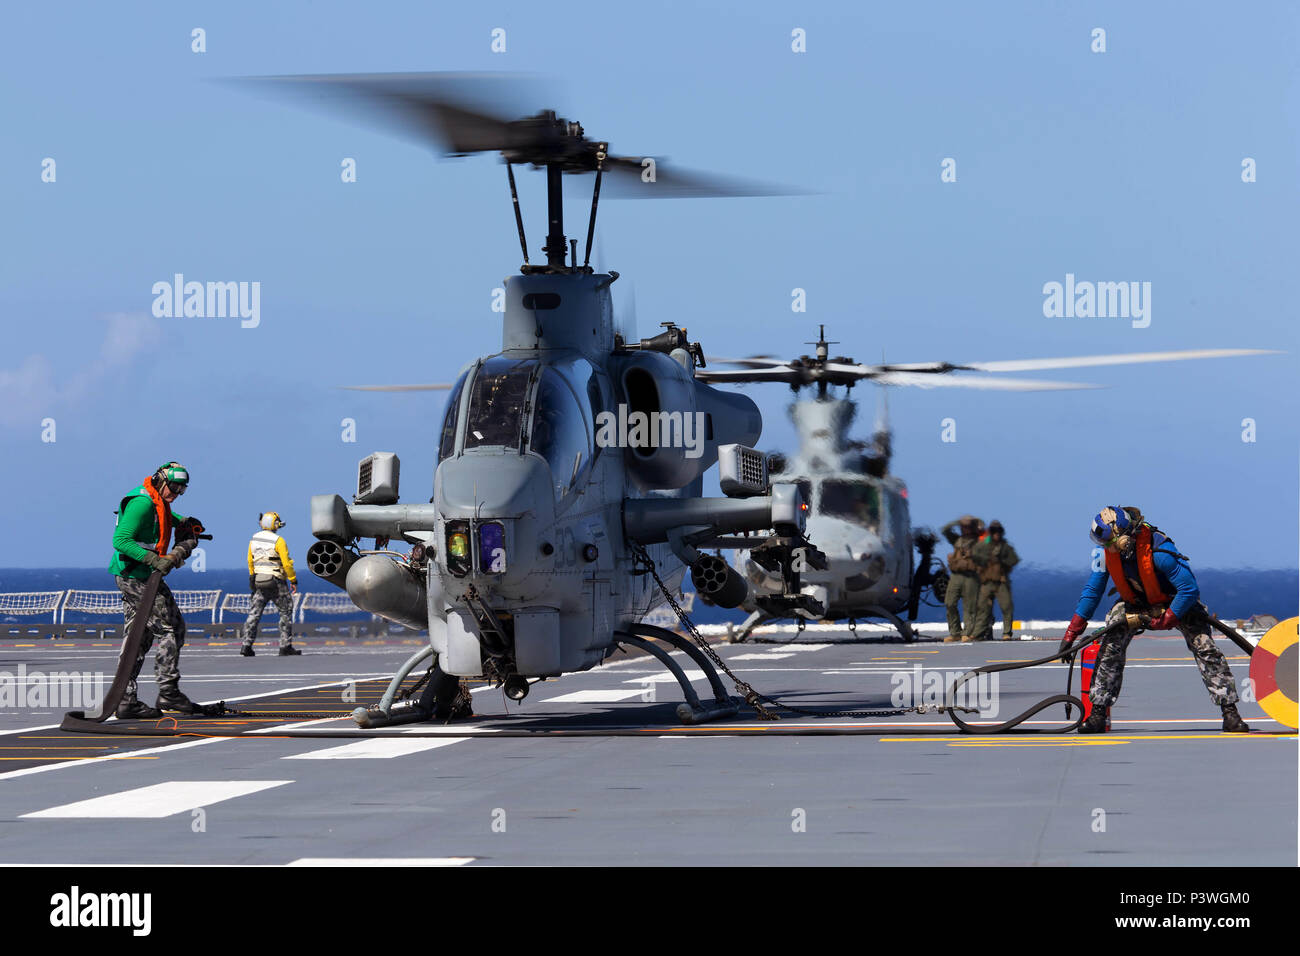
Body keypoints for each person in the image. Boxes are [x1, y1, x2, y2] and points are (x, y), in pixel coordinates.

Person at [1060, 506, 1248, 734]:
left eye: (1109, 539)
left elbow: (1188, 589)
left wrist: (1168, 618)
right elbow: (1092, 591)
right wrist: (1072, 632)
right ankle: (1098, 713)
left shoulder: (1159, 551)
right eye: (1102, 541)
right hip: (1135, 604)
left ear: (1124, 533)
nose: (1106, 546)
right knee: (1110, 646)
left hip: (1175, 601)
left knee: (1206, 648)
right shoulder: (1104, 555)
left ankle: (1230, 713)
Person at [108, 461, 204, 717]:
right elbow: (120, 540)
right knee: (172, 628)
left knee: (138, 637)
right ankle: (168, 691)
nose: (175, 493)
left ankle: (126, 700)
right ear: (160, 480)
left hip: (138, 575)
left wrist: (184, 520)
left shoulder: (157, 501)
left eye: (181, 490)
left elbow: (164, 514)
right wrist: (154, 560)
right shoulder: (142, 503)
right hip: (136, 576)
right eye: (173, 487)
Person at [241, 511, 301, 656]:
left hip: (259, 581)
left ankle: (246, 645)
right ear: (275, 524)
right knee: (285, 612)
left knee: (254, 614)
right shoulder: (278, 540)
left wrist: (252, 579)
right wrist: (293, 579)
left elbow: (250, 561)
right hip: (276, 581)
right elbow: (286, 564)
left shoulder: (253, 539)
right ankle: (285, 646)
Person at [972, 520, 1019, 640]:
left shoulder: (1005, 547)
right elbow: (975, 553)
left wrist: (1002, 562)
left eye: (998, 531)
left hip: (1000, 582)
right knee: (982, 608)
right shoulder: (984, 545)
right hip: (986, 582)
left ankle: (1007, 632)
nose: (996, 534)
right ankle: (979, 632)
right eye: (994, 531)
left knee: (1007, 607)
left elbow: (1014, 560)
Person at [941, 515, 983, 642]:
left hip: (971, 576)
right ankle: (955, 632)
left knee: (969, 606)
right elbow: (945, 530)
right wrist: (957, 521)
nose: (965, 529)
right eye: (963, 526)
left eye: (968, 526)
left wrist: (977, 522)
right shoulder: (957, 540)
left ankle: (968, 632)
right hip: (956, 575)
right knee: (949, 603)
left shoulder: (980, 541)